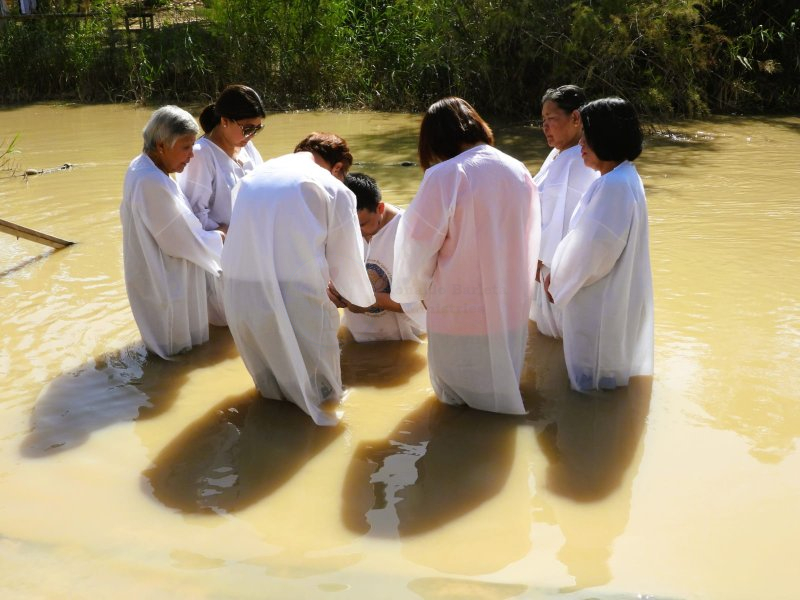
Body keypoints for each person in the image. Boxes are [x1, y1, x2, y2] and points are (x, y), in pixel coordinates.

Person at [391, 97, 540, 415]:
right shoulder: (518, 170)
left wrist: (417, 293)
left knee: (456, 407)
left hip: (459, 311)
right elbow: (529, 237)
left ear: (435, 139)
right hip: (510, 309)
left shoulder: (445, 175)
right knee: (500, 390)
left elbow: (416, 245)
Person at [222, 133, 375, 426]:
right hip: (296, 291)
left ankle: (271, 427)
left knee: (269, 372)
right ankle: (316, 430)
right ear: (338, 168)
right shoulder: (332, 186)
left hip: (238, 290)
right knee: (321, 384)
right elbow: (347, 260)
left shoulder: (253, 177)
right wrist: (356, 298)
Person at [545, 97, 654, 391]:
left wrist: (556, 280)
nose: (581, 143)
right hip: (612, 302)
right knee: (607, 384)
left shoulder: (614, 186)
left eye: (588, 135)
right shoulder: (623, 177)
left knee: (591, 389)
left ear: (606, 137)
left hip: (600, 307)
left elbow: (592, 252)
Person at [121, 105, 225, 359]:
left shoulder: (141, 167)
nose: (191, 156)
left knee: (172, 350)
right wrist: (220, 235)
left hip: (156, 275)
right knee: (177, 355)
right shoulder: (150, 181)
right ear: (161, 145)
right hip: (166, 281)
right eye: (186, 147)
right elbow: (182, 242)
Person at [530, 85, 599, 338]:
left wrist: (542, 263)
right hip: (542, 267)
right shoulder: (558, 154)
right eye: (543, 120)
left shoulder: (580, 161)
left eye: (551, 119)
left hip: (555, 271)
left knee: (559, 337)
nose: (545, 127)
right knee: (546, 337)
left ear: (575, 118)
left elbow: (572, 224)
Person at [328, 172, 426, 342]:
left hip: (403, 339)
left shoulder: (410, 232)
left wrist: (371, 301)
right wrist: (331, 292)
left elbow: (423, 301)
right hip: (357, 335)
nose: (356, 233)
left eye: (362, 224)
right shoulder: (339, 224)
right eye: (350, 227)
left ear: (380, 208)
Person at [176, 84, 265, 233]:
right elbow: (194, 217)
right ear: (225, 121)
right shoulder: (200, 155)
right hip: (224, 244)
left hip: (252, 239)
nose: (252, 135)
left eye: (258, 129)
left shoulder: (247, 147)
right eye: (248, 129)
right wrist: (227, 233)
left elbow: (265, 187)